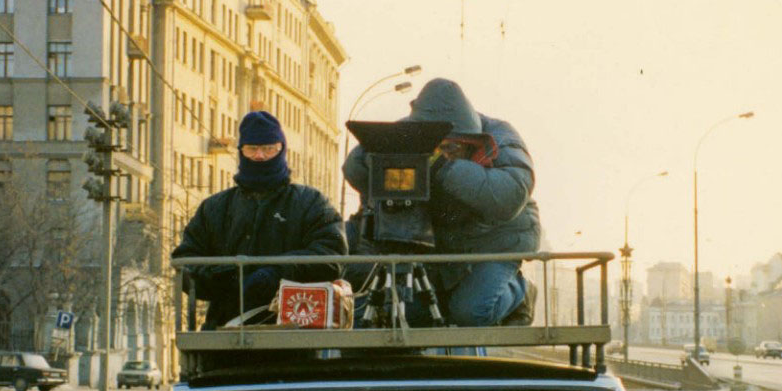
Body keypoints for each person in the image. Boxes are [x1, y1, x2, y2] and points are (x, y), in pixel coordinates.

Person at [343, 78, 541, 327]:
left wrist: (440, 166)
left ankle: (520, 293)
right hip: (440, 242)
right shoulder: (410, 131)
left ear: (471, 140)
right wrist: (381, 153)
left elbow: (507, 196)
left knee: (470, 314)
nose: (444, 153)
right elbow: (354, 167)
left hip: (495, 241)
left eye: (452, 148)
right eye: (436, 148)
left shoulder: (501, 136)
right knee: (406, 314)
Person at [172, 110, 347, 329]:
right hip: (226, 329)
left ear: (281, 149)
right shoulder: (215, 208)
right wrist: (226, 276)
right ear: (241, 151)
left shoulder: (310, 203)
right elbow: (186, 260)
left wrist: (277, 273)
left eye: (268, 149)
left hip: (294, 331)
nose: (260, 156)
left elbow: (331, 253)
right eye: (252, 149)